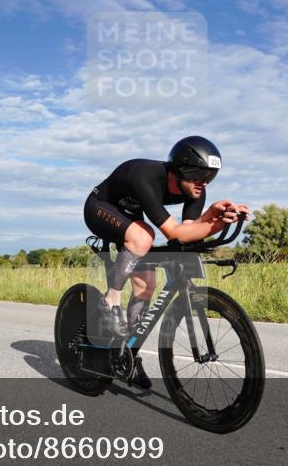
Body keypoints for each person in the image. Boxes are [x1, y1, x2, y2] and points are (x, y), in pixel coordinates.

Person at [83, 136, 250, 388]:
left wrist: (213, 215)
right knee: (144, 236)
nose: (203, 183)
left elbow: (186, 235)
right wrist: (217, 224)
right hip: (100, 207)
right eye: (197, 174)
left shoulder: (196, 192)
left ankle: (125, 353)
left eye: (209, 176)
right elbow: (172, 233)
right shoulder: (147, 176)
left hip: (130, 217)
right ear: (179, 169)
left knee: (146, 286)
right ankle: (111, 299)